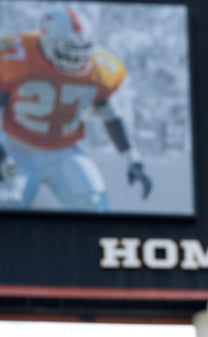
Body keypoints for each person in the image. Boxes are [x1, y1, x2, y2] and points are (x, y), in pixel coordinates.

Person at [0, 6, 152, 211]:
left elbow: (108, 112)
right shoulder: (18, 57)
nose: (78, 58)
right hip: (15, 149)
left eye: (84, 49)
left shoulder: (100, 68)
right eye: (70, 49)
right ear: (47, 42)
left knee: (96, 208)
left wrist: (132, 157)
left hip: (65, 152)